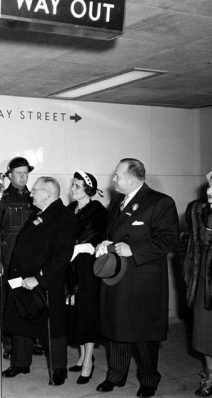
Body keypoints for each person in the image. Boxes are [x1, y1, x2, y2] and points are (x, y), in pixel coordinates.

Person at [95, 158, 179, 398]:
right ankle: (116, 375)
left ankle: (149, 379)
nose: (113, 180)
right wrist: (105, 242)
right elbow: (111, 232)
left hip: (143, 279)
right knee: (117, 326)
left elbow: (169, 238)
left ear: (132, 178)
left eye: (117, 176)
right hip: (117, 276)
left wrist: (135, 250)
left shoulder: (160, 202)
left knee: (143, 331)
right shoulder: (117, 203)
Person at [2, 177, 75, 385]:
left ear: (48, 194)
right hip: (23, 278)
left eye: (35, 190)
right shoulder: (37, 214)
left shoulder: (63, 217)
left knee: (53, 327)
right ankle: (20, 363)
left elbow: (61, 256)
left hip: (45, 281)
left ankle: (59, 369)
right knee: (21, 320)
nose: (31, 193)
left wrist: (39, 279)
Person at [0, 156, 35, 359]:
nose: (23, 176)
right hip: (9, 260)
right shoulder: (1, 199)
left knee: (30, 300)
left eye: (26, 172)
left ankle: (29, 342)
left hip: (30, 260)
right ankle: (8, 344)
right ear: (9, 175)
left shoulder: (35, 197)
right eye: (19, 173)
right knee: (9, 303)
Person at [66, 171, 107, 384]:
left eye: (77, 187)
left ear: (88, 190)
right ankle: (82, 356)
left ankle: (89, 362)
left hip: (88, 268)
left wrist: (83, 246)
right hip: (71, 268)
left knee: (88, 313)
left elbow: (101, 238)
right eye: (72, 185)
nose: (72, 189)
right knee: (75, 312)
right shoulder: (69, 209)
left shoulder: (98, 211)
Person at [181, 171, 212, 397]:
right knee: (204, 332)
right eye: (209, 186)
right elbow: (187, 242)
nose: (208, 191)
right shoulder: (199, 211)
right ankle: (210, 376)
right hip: (204, 282)